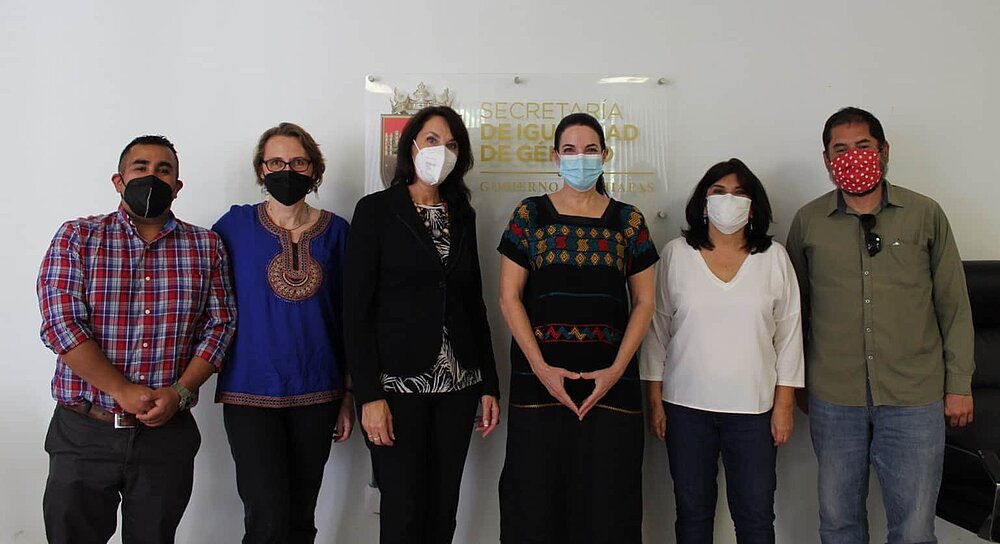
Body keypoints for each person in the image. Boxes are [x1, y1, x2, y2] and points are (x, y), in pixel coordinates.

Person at [786, 106, 975, 544]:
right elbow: (795, 312)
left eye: (863, 146)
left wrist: (959, 384)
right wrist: (795, 385)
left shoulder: (924, 214)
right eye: (841, 150)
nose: (853, 156)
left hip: (915, 397)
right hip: (834, 397)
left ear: (884, 150)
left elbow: (954, 305)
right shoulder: (809, 222)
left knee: (913, 529)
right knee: (839, 523)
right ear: (826, 159)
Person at [37, 135, 236, 544]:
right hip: (84, 432)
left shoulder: (206, 246)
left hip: (167, 437)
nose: (152, 176)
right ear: (119, 180)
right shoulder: (78, 237)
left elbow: (220, 326)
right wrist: (121, 390)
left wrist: (180, 392)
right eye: (140, 167)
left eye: (164, 170)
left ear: (177, 186)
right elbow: (62, 324)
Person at [496, 112, 658, 543]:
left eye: (590, 150)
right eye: (570, 150)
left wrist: (616, 371)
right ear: (555, 157)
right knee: (534, 507)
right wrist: (542, 369)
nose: (580, 158)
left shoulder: (629, 221)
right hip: (539, 386)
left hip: (611, 387)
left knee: (607, 508)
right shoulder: (530, 215)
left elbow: (645, 302)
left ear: (605, 155)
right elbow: (509, 298)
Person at [343, 105, 500, 544]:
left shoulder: (462, 212)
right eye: (432, 140)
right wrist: (368, 396)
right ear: (410, 146)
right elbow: (356, 311)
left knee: (443, 510)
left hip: (459, 384)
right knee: (402, 510)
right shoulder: (376, 210)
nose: (441, 151)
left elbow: (474, 302)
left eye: (451, 144)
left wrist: (489, 382)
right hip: (397, 386)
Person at [640, 158, 804, 544]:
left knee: (756, 517)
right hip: (685, 408)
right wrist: (655, 400)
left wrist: (784, 406)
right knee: (692, 514)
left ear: (753, 206)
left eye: (739, 193)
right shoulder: (676, 254)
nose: (728, 200)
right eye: (719, 192)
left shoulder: (774, 258)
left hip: (754, 411)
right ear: (703, 202)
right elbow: (657, 330)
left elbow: (789, 334)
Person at [212, 122, 354, 544]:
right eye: (276, 162)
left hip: (318, 391)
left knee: (300, 516)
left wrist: (348, 394)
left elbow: (352, 318)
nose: (286, 170)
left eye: (297, 162)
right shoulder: (234, 227)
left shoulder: (338, 232)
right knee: (265, 518)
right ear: (261, 169)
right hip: (249, 392)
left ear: (314, 169)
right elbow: (209, 300)